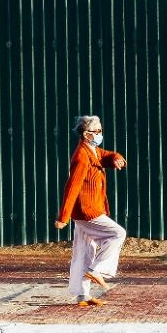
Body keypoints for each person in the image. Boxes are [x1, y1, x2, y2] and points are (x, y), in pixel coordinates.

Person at [54, 115, 127, 307]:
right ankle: (97, 270)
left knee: (84, 252)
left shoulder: (92, 150)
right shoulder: (81, 156)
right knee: (118, 233)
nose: (100, 134)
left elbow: (105, 155)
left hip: (89, 210)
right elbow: (72, 186)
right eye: (97, 131)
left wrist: (116, 158)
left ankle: (82, 296)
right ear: (86, 134)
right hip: (87, 211)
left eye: (101, 130)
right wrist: (63, 216)